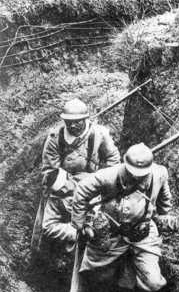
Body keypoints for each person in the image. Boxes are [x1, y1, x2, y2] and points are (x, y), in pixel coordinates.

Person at [70, 142, 179, 292]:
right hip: (110, 233)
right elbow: (81, 190)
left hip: (143, 231)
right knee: (96, 273)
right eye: (133, 173)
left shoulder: (159, 174)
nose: (137, 176)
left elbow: (164, 203)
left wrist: (159, 220)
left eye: (141, 173)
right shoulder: (109, 175)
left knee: (153, 281)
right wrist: (80, 224)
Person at [31, 98, 120, 253]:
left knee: (103, 221)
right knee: (47, 229)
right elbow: (49, 172)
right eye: (68, 121)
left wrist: (101, 182)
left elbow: (114, 160)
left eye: (77, 121)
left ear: (85, 119)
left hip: (93, 185)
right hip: (63, 186)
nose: (73, 125)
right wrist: (70, 185)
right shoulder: (55, 138)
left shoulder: (99, 134)